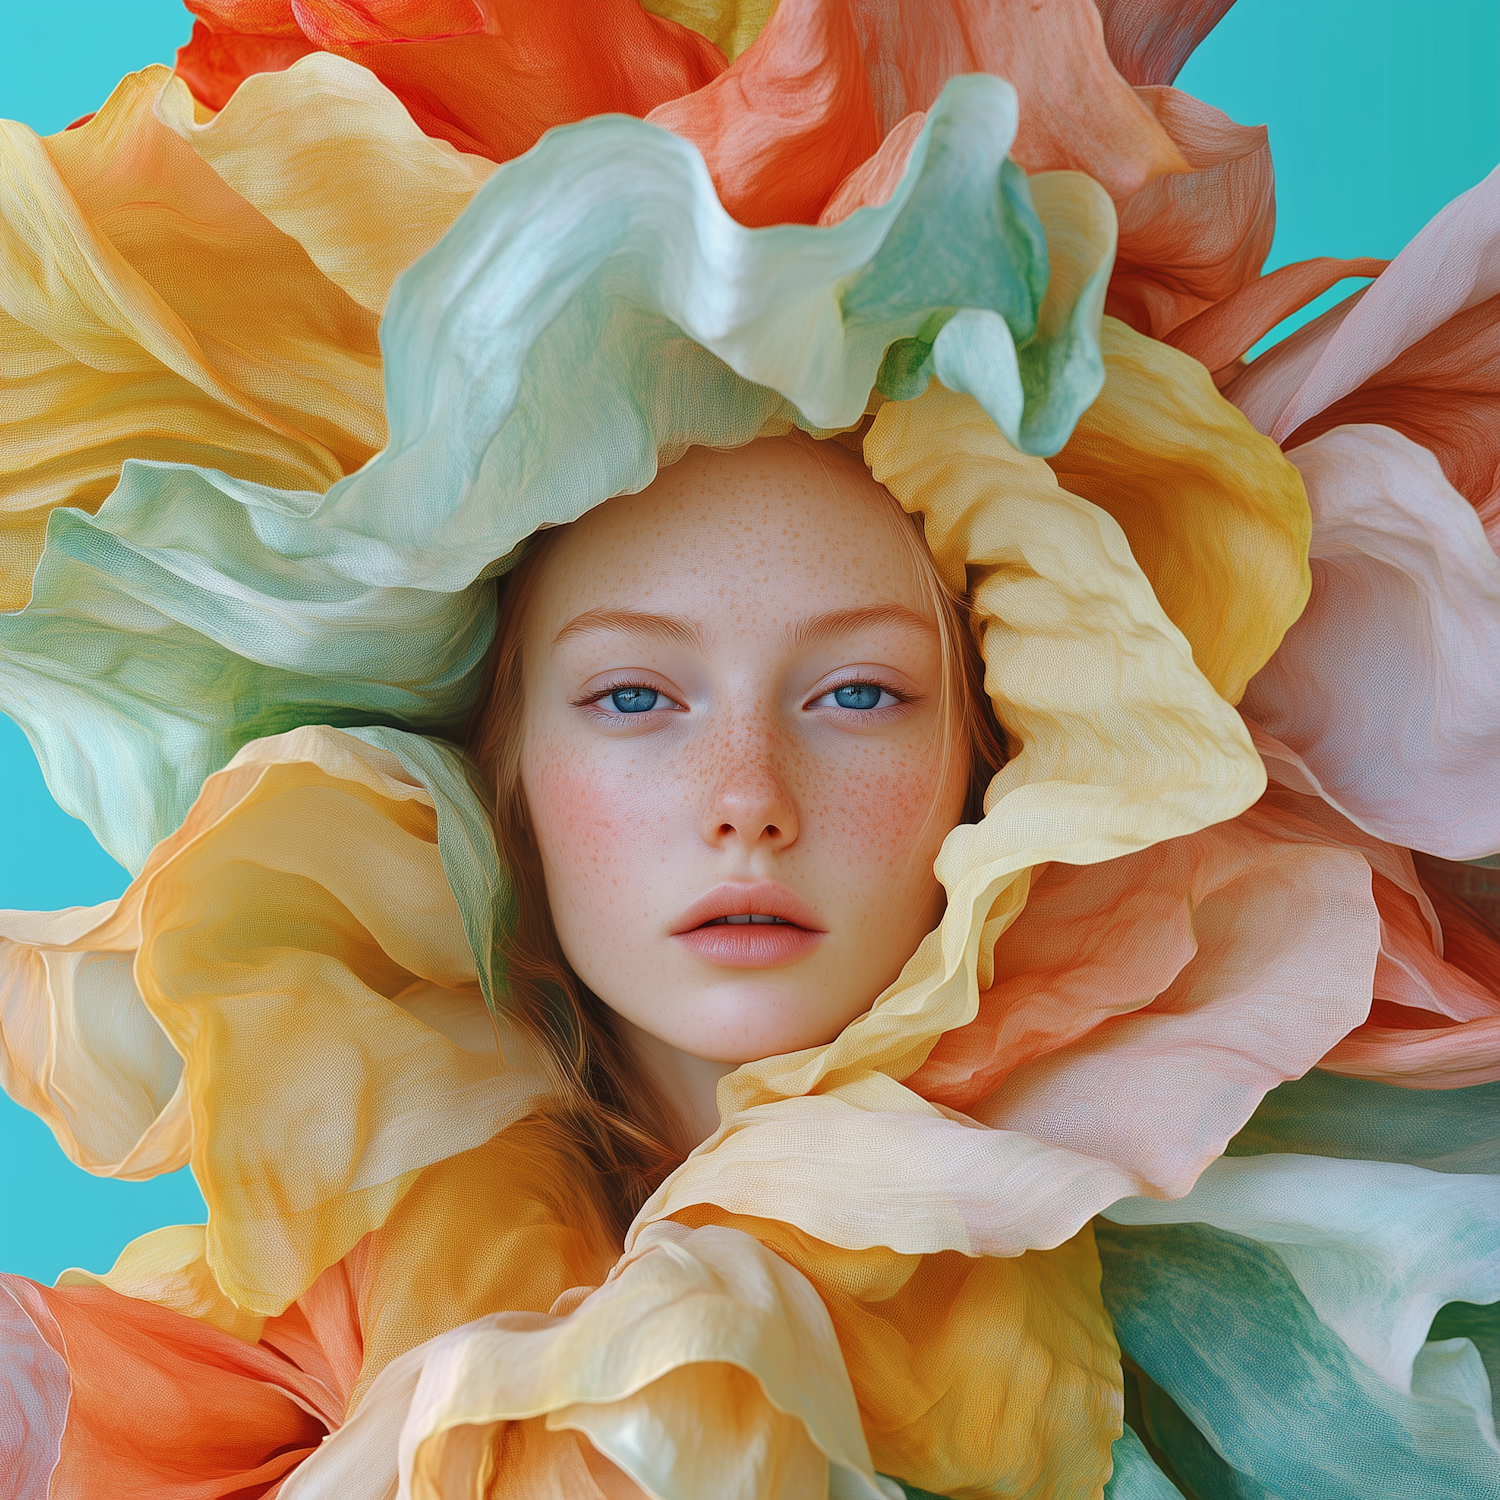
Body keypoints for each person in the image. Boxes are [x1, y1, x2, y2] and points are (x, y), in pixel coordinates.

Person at [2, 5, 1498, 1498]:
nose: (747, 808)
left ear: (1000, 764)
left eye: (856, 695)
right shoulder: (268, 1387)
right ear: (501, 777)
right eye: (635, 701)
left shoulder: (1290, 1277)